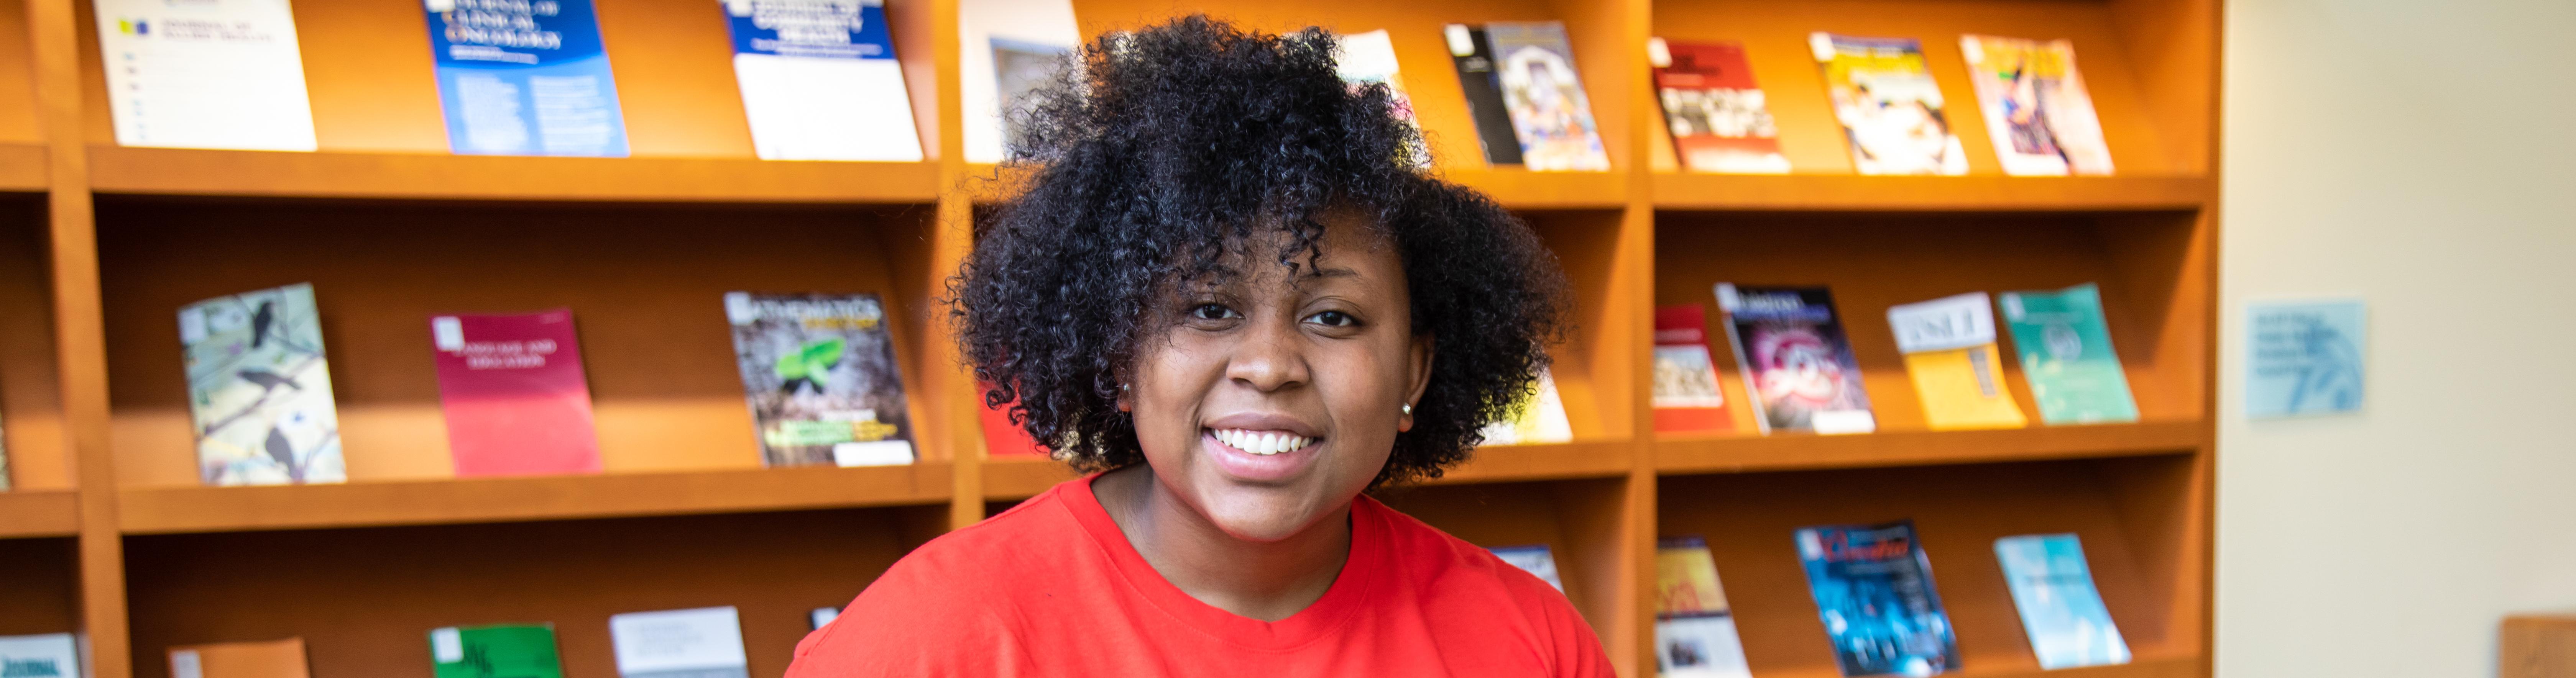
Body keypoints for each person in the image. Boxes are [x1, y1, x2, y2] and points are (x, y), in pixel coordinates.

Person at [784, 15, 1604, 676]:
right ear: (1116, 354)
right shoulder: (931, 641)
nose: (1270, 364)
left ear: (1415, 373)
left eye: (1334, 318)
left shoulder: (1531, 642)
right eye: (1210, 308)